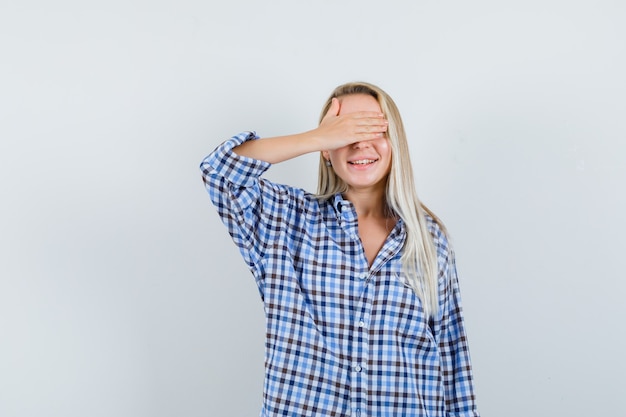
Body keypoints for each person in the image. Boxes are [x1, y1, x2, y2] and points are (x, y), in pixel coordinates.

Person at [200, 82, 480, 416]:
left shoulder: (429, 238)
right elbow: (219, 171)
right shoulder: (286, 220)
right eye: (345, 131)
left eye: (373, 128)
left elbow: (452, 361)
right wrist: (317, 137)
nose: (360, 142)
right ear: (327, 149)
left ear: (394, 143)